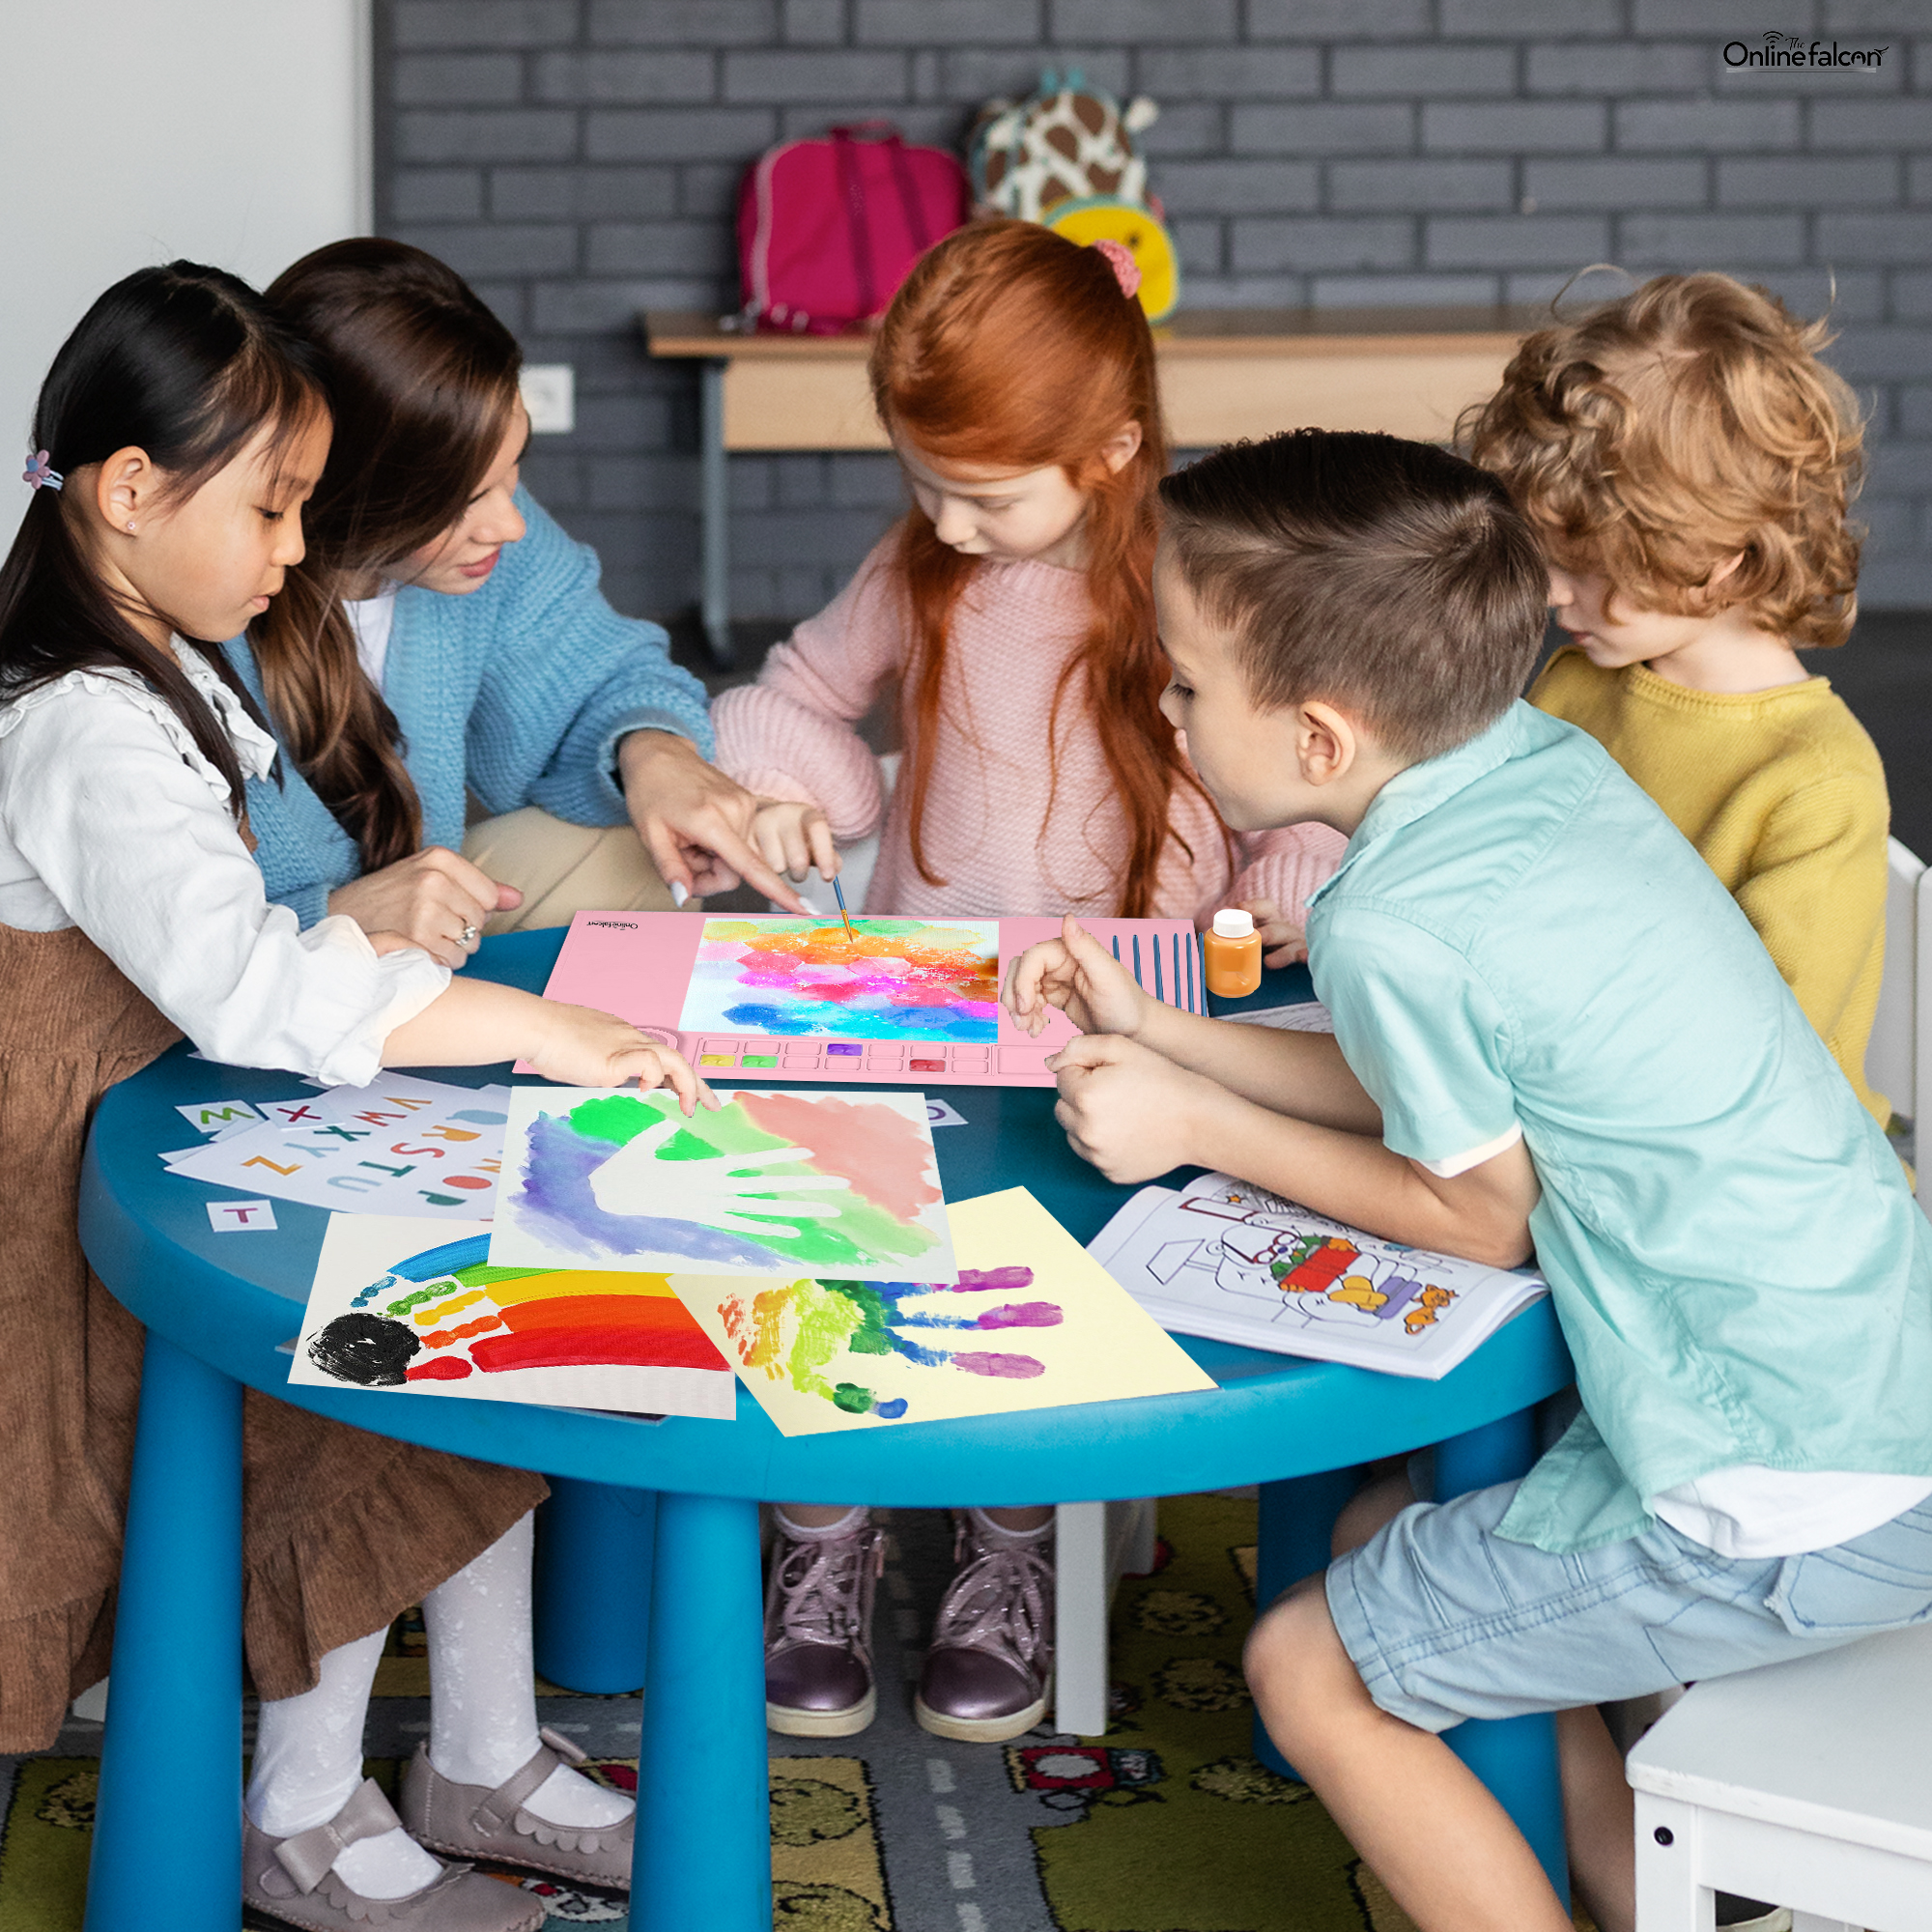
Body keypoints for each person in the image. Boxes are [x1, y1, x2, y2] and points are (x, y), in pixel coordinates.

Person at [1005, 430, 1932, 1932]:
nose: (1163, 708)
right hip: (1870, 1385)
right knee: (1386, 1537)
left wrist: (1196, 1128)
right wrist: (1167, 1033)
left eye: (1183, 682)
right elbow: (1444, 1101)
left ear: (1317, 740)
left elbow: (1476, 1214)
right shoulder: (1532, 766)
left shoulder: (1397, 924)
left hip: (1771, 1486)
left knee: (1303, 1667)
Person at [0, 262, 712, 1930]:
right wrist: (536, 1036)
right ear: (126, 494)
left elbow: (245, 949)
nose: (294, 553)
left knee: (465, 1315)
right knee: (355, 1387)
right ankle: (302, 1814)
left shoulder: (146, 669)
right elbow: (252, 977)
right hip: (80, 1189)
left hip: (175, 1118)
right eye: (271, 511)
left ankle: (478, 1753)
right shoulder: (91, 724)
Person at [711, 219, 1346, 1748]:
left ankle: (1010, 1550)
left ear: (1115, 447)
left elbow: (1306, 801)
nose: (948, 520)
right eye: (922, 480)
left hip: (1126, 1016)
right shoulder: (923, 565)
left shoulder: (1204, 586)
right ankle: (822, 1532)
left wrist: (1272, 904)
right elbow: (788, 698)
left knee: (1044, 1277)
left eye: (983, 492)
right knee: (843, 1235)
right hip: (917, 995)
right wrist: (790, 793)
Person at [226, 237, 808, 974]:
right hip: (265, 969)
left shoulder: (483, 547)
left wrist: (652, 752)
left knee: (646, 843)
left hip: (417, 924)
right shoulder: (215, 607)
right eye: (464, 501)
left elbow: (602, 670)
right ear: (346, 495)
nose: (511, 524)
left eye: (513, 471)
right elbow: (188, 924)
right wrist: (337, 919)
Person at [1468, 272, 1890, 1124]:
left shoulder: (1816, 785)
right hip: (1564, 1093)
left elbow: (1761, 1058)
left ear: (1720, 557)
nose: (1551, 594)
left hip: (1751, 1173)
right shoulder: (1577, 685)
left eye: (1587, 567)